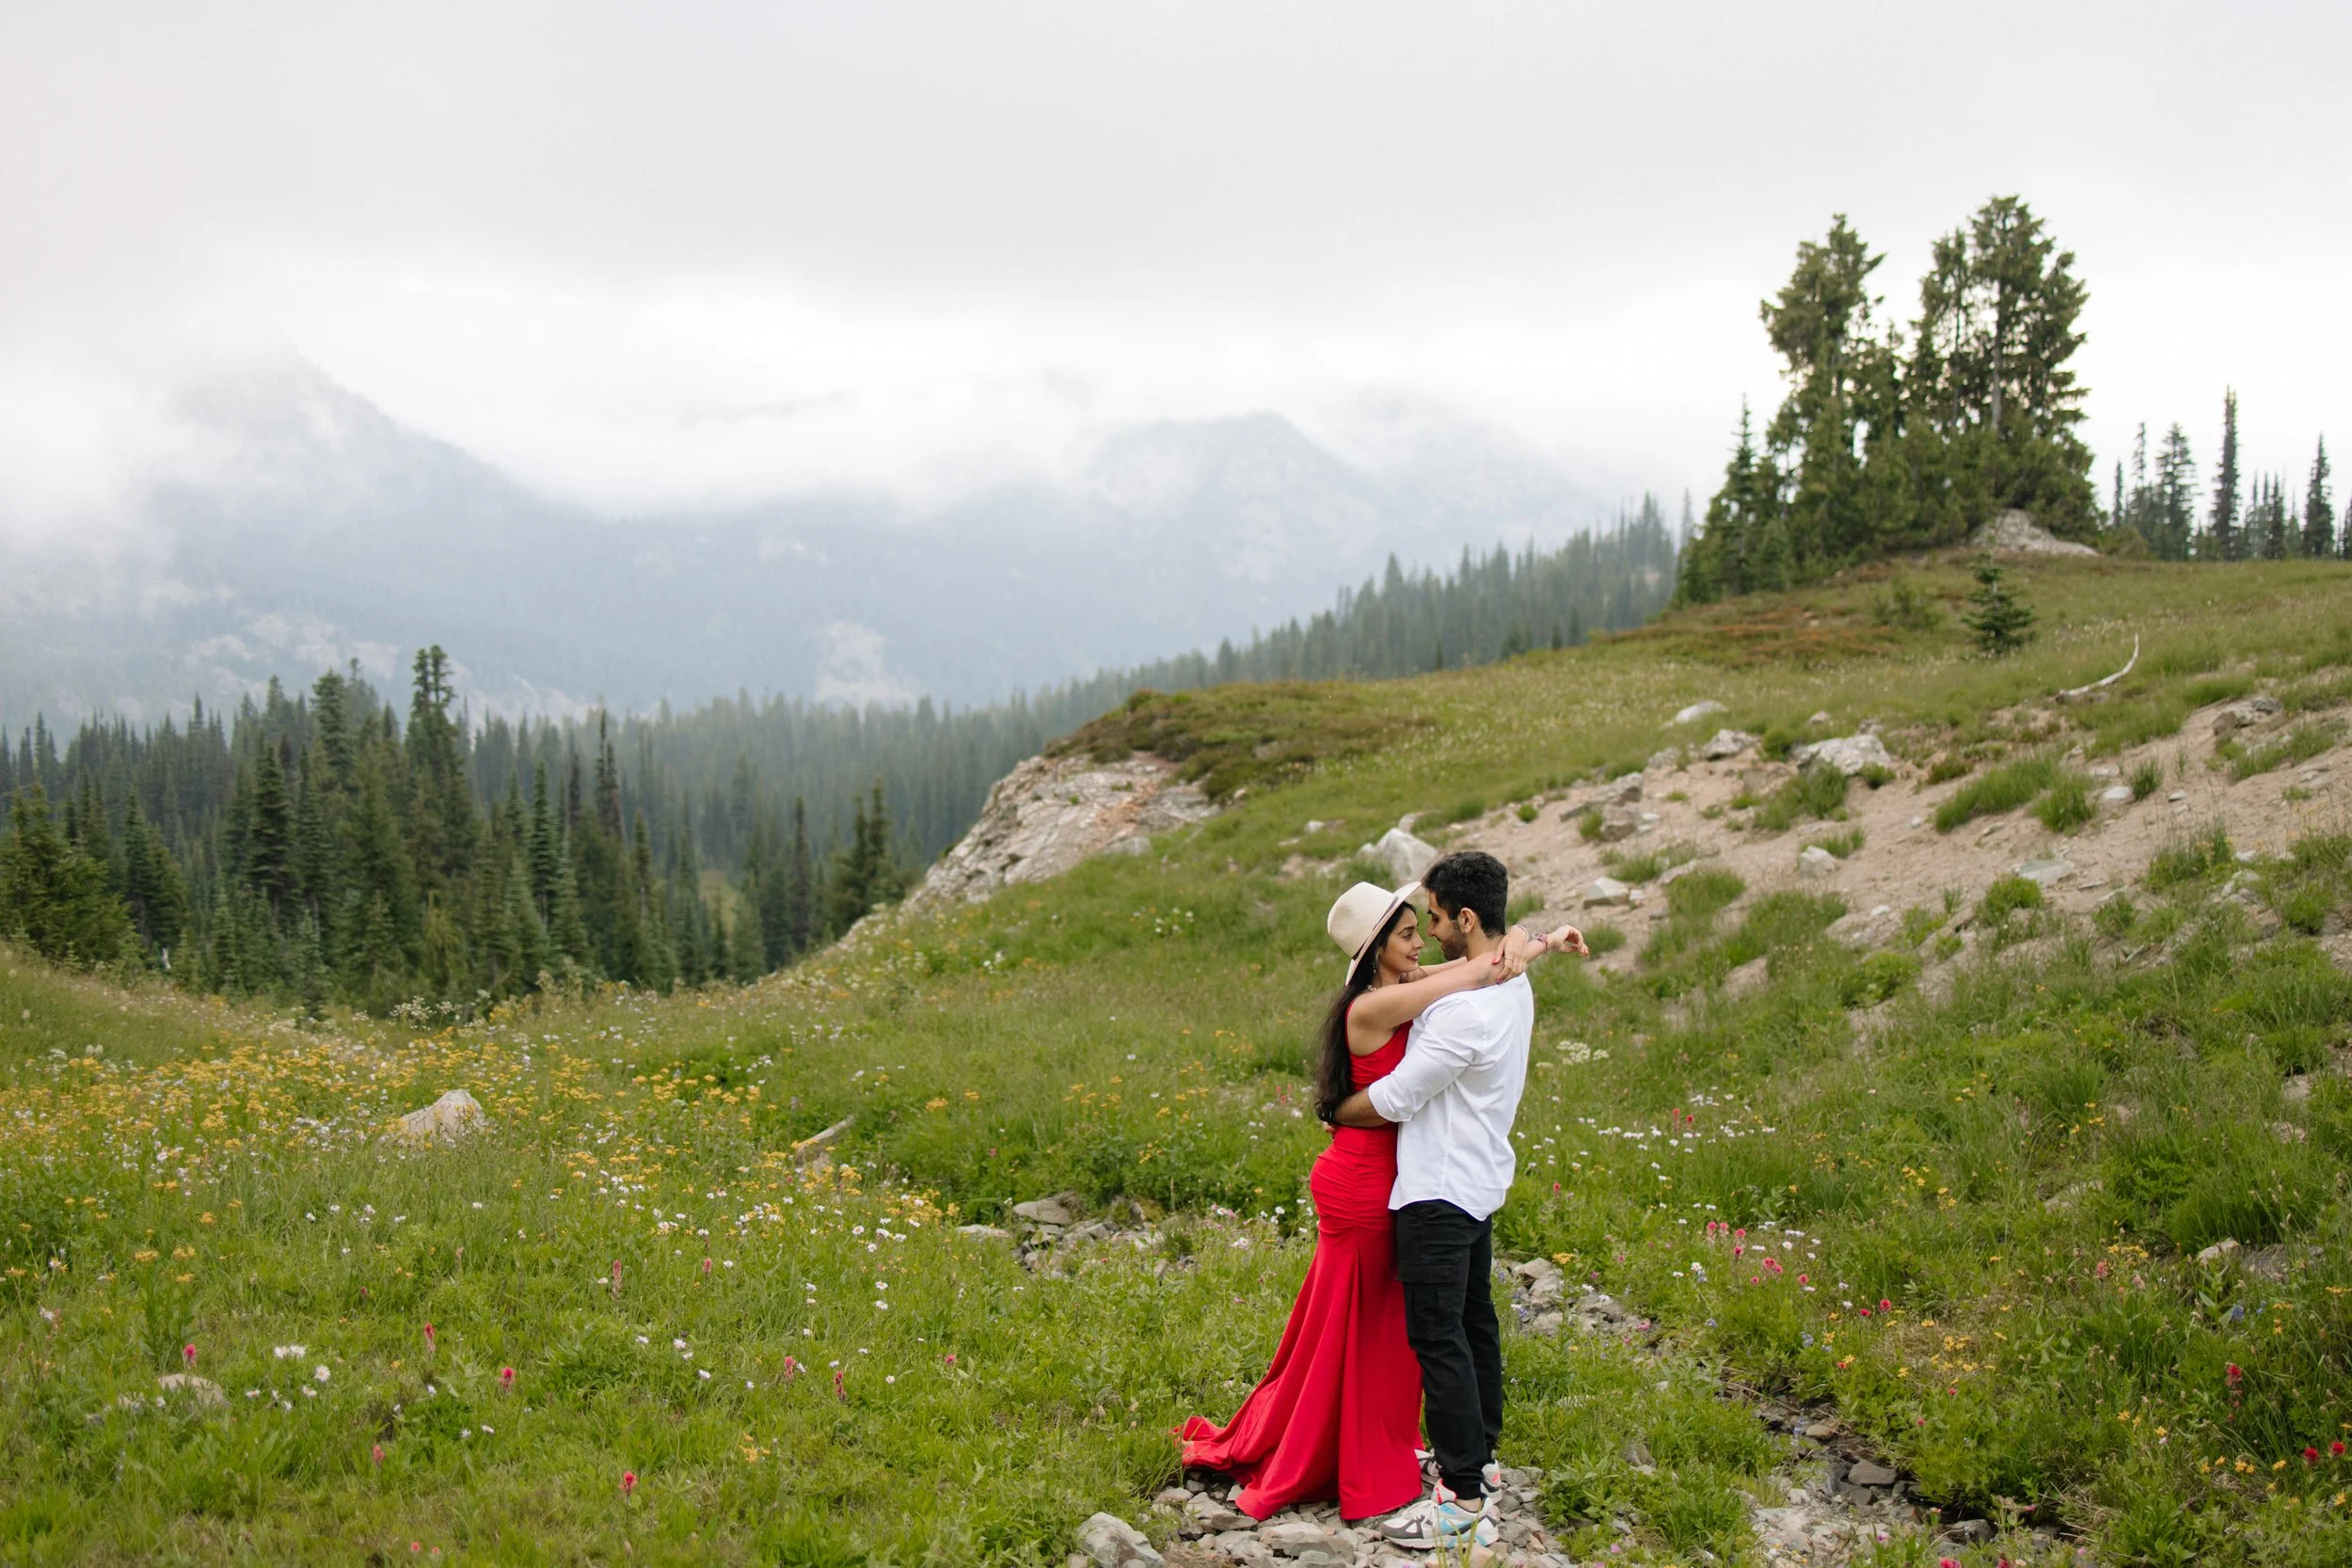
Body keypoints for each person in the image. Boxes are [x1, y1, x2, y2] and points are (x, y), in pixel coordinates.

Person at [1181, 873, 1582, 1524]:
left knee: (1378, 1325)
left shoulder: (1398, 992)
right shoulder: (1371, 1005)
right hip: (1364, 1182)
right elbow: (1468, 975)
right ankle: (1345, 1448)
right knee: (1361, 1324)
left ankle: (1376, 1441)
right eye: (1405, 934)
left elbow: (1474, 969)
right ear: (1377, 952)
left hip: (1391, 1175)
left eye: (1422, 926)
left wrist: (1533, 943)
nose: (1420, 940)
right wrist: (1523, 946)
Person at [1331, 850, 1567, 1553]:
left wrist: (1335, 1109)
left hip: (1437, 1191)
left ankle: (1463, 1497)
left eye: (1434, 919)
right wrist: (1540, 939)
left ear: (1467, 918)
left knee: (1440, 1338)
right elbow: (1499, 950)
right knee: (1475, 1324)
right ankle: (1480, 1463)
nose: (1430, 932)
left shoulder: (1467, 1015)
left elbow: (1397, 1098)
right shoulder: (1507, 983)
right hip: (1478, 1180)